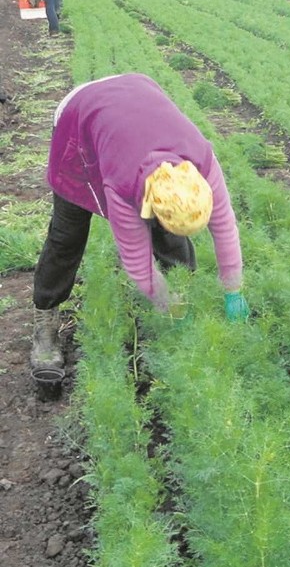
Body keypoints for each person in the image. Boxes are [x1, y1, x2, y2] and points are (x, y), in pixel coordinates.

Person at [31, 73, 249, 369]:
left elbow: (225, 228)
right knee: (67, 235)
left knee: (170, 239)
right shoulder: (122, 188)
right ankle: (46, 315)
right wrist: (165, 302)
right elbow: (137, 263)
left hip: (135, 97)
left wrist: (233, 290)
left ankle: (181, 288)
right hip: (80, 121)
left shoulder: (203, 162)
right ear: (150, 204)